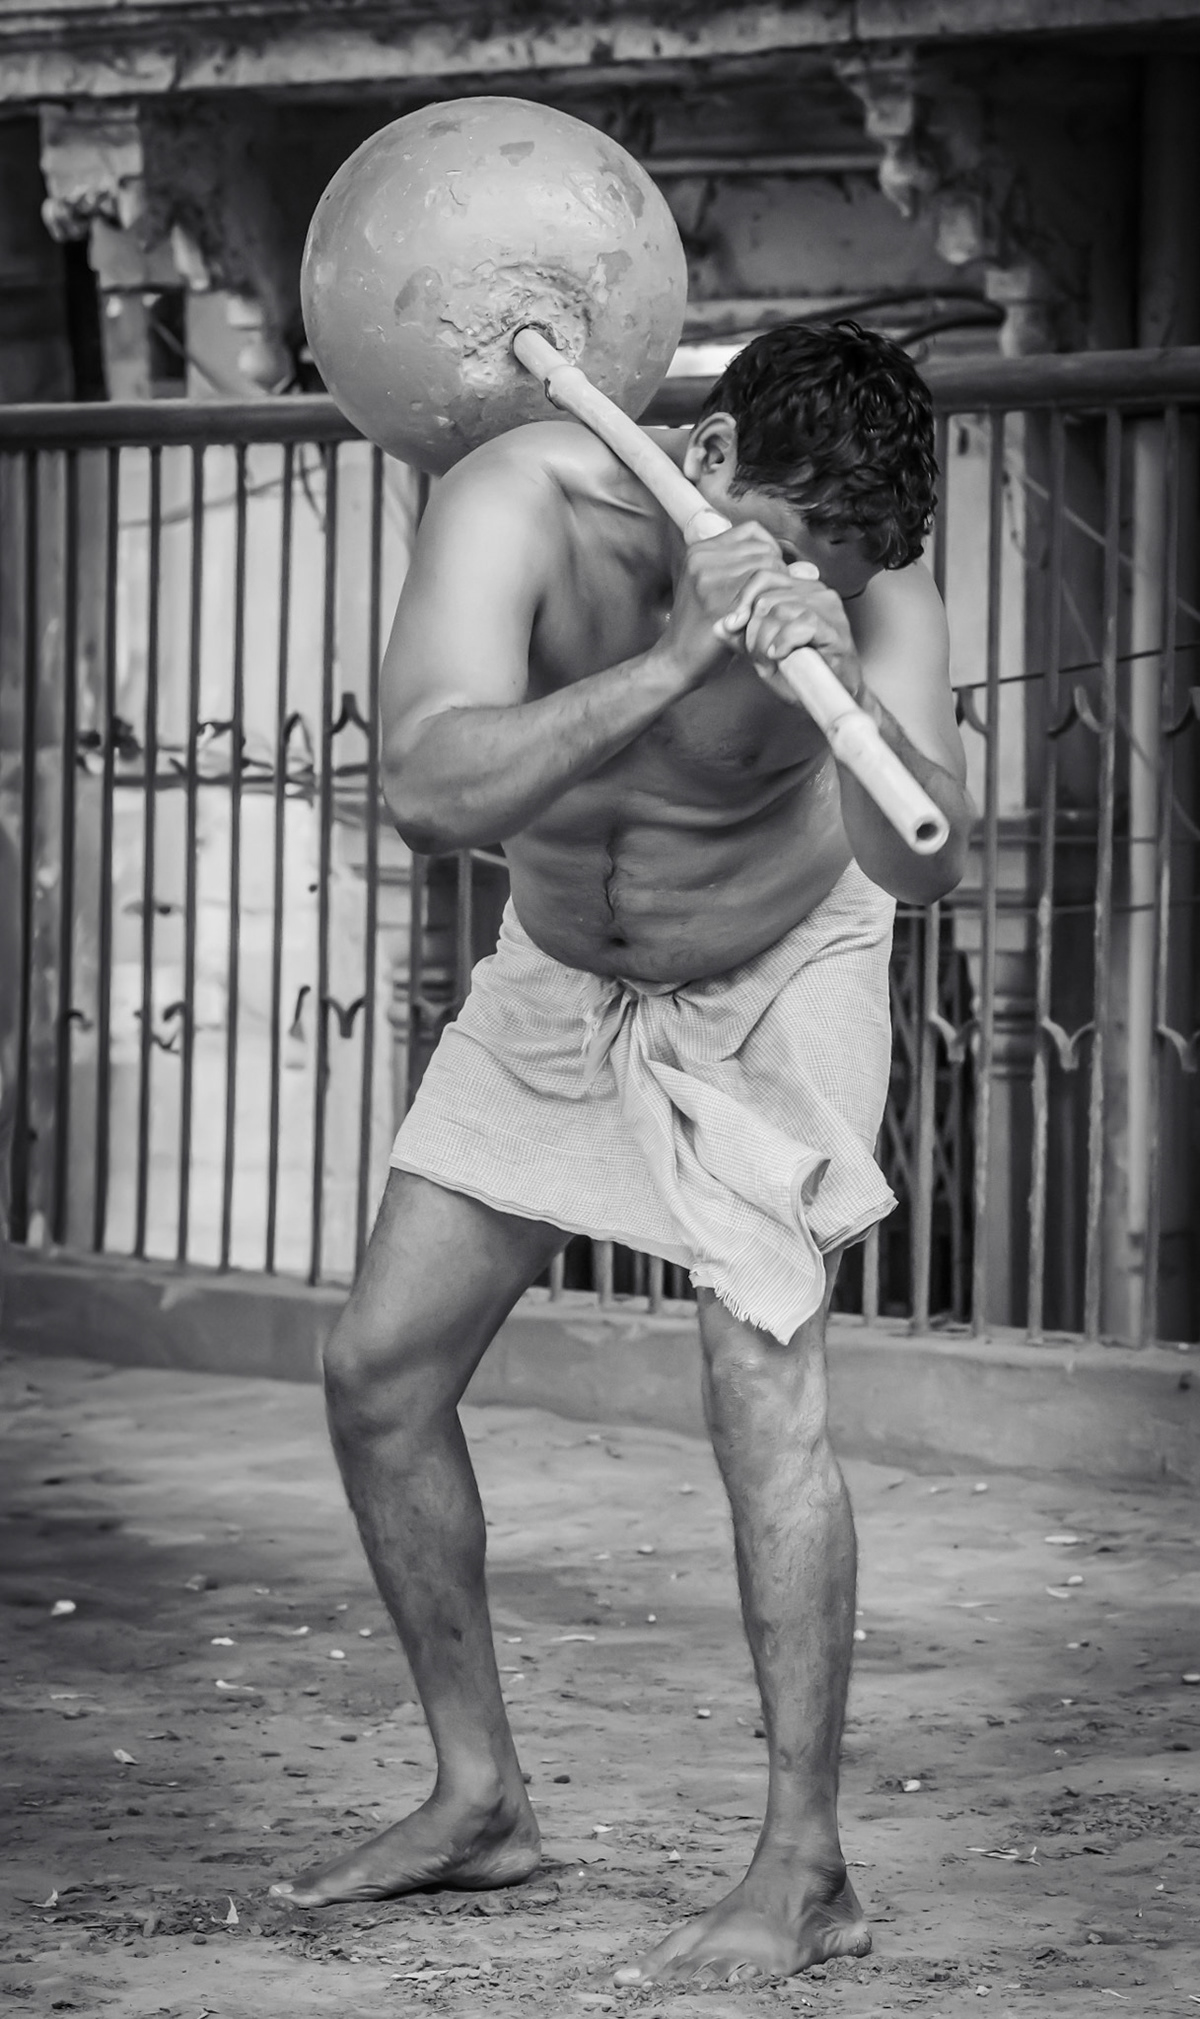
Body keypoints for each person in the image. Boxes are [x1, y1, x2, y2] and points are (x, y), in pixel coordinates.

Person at [270, 320, 971, 1986]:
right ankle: (479, 1800)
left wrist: (851, 697)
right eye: (793, 547)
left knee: (760, 1388)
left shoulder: (877, 590)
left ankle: (805, 1867)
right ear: (709, 462)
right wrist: (674, 659)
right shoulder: (521, 501)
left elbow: (928, 861)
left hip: (780, 965)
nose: (818, 582)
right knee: (379, 1372)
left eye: (848, 568)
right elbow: (429, 791)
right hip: (561, 968)